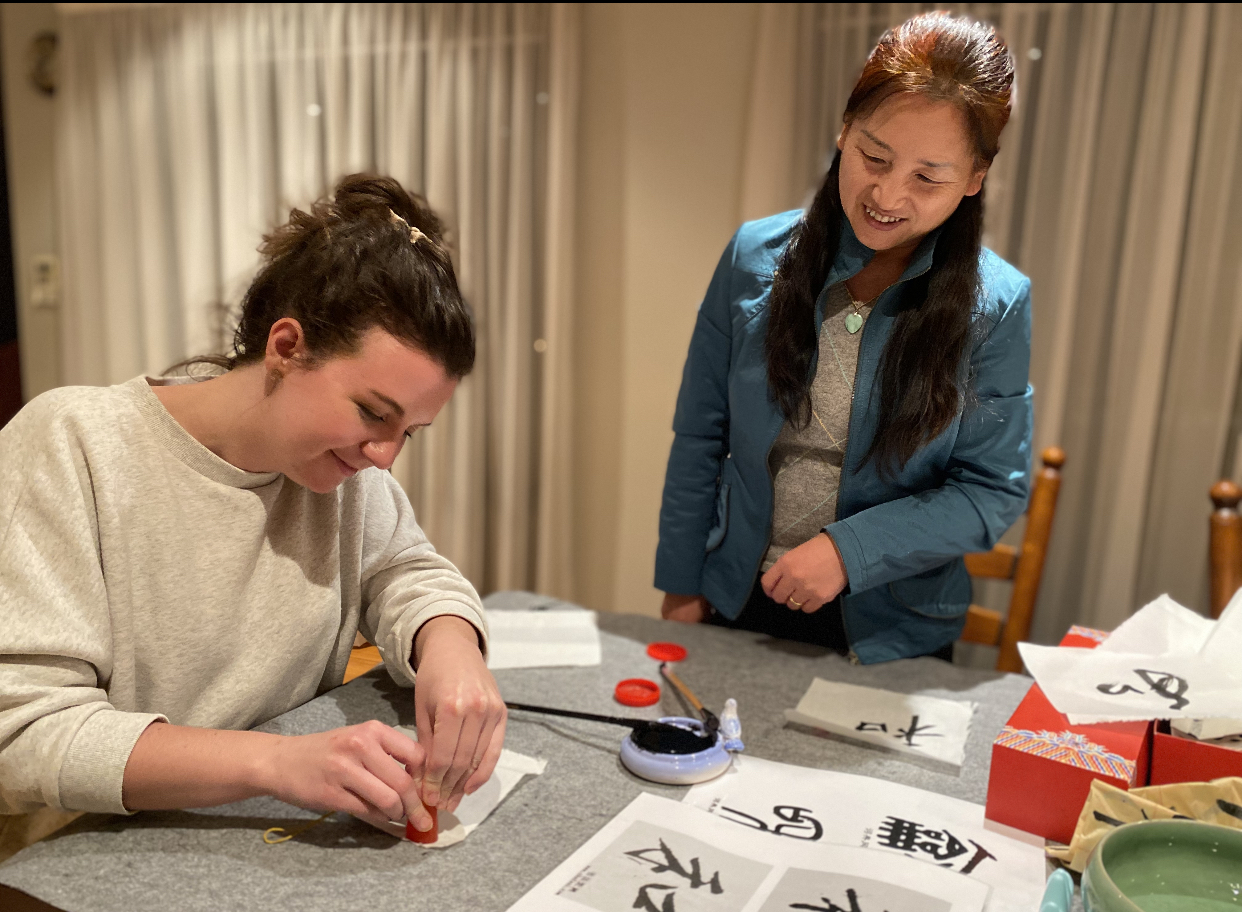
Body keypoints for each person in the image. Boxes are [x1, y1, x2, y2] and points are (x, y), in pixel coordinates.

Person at [0, 175, 505, 841]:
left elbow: (406, 570)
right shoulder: (74, 443)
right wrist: (277, 761)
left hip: (268, 830)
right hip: (88, 856)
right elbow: (22, 734)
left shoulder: (339, 469)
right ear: (287, 348)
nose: (385, 455)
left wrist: (449, 642)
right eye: (372, 414)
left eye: (407, 431)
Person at [655, 13, 1032, 663]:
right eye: (873, 156)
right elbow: (700, 436)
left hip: (892, 628)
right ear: (843, 131)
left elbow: (991, 490)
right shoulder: (752, 256)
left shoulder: (995, 305)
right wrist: (682, 582)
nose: (886, 194)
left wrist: (848, 552)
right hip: (737, 599)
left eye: (927, 177)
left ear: (975, 178)